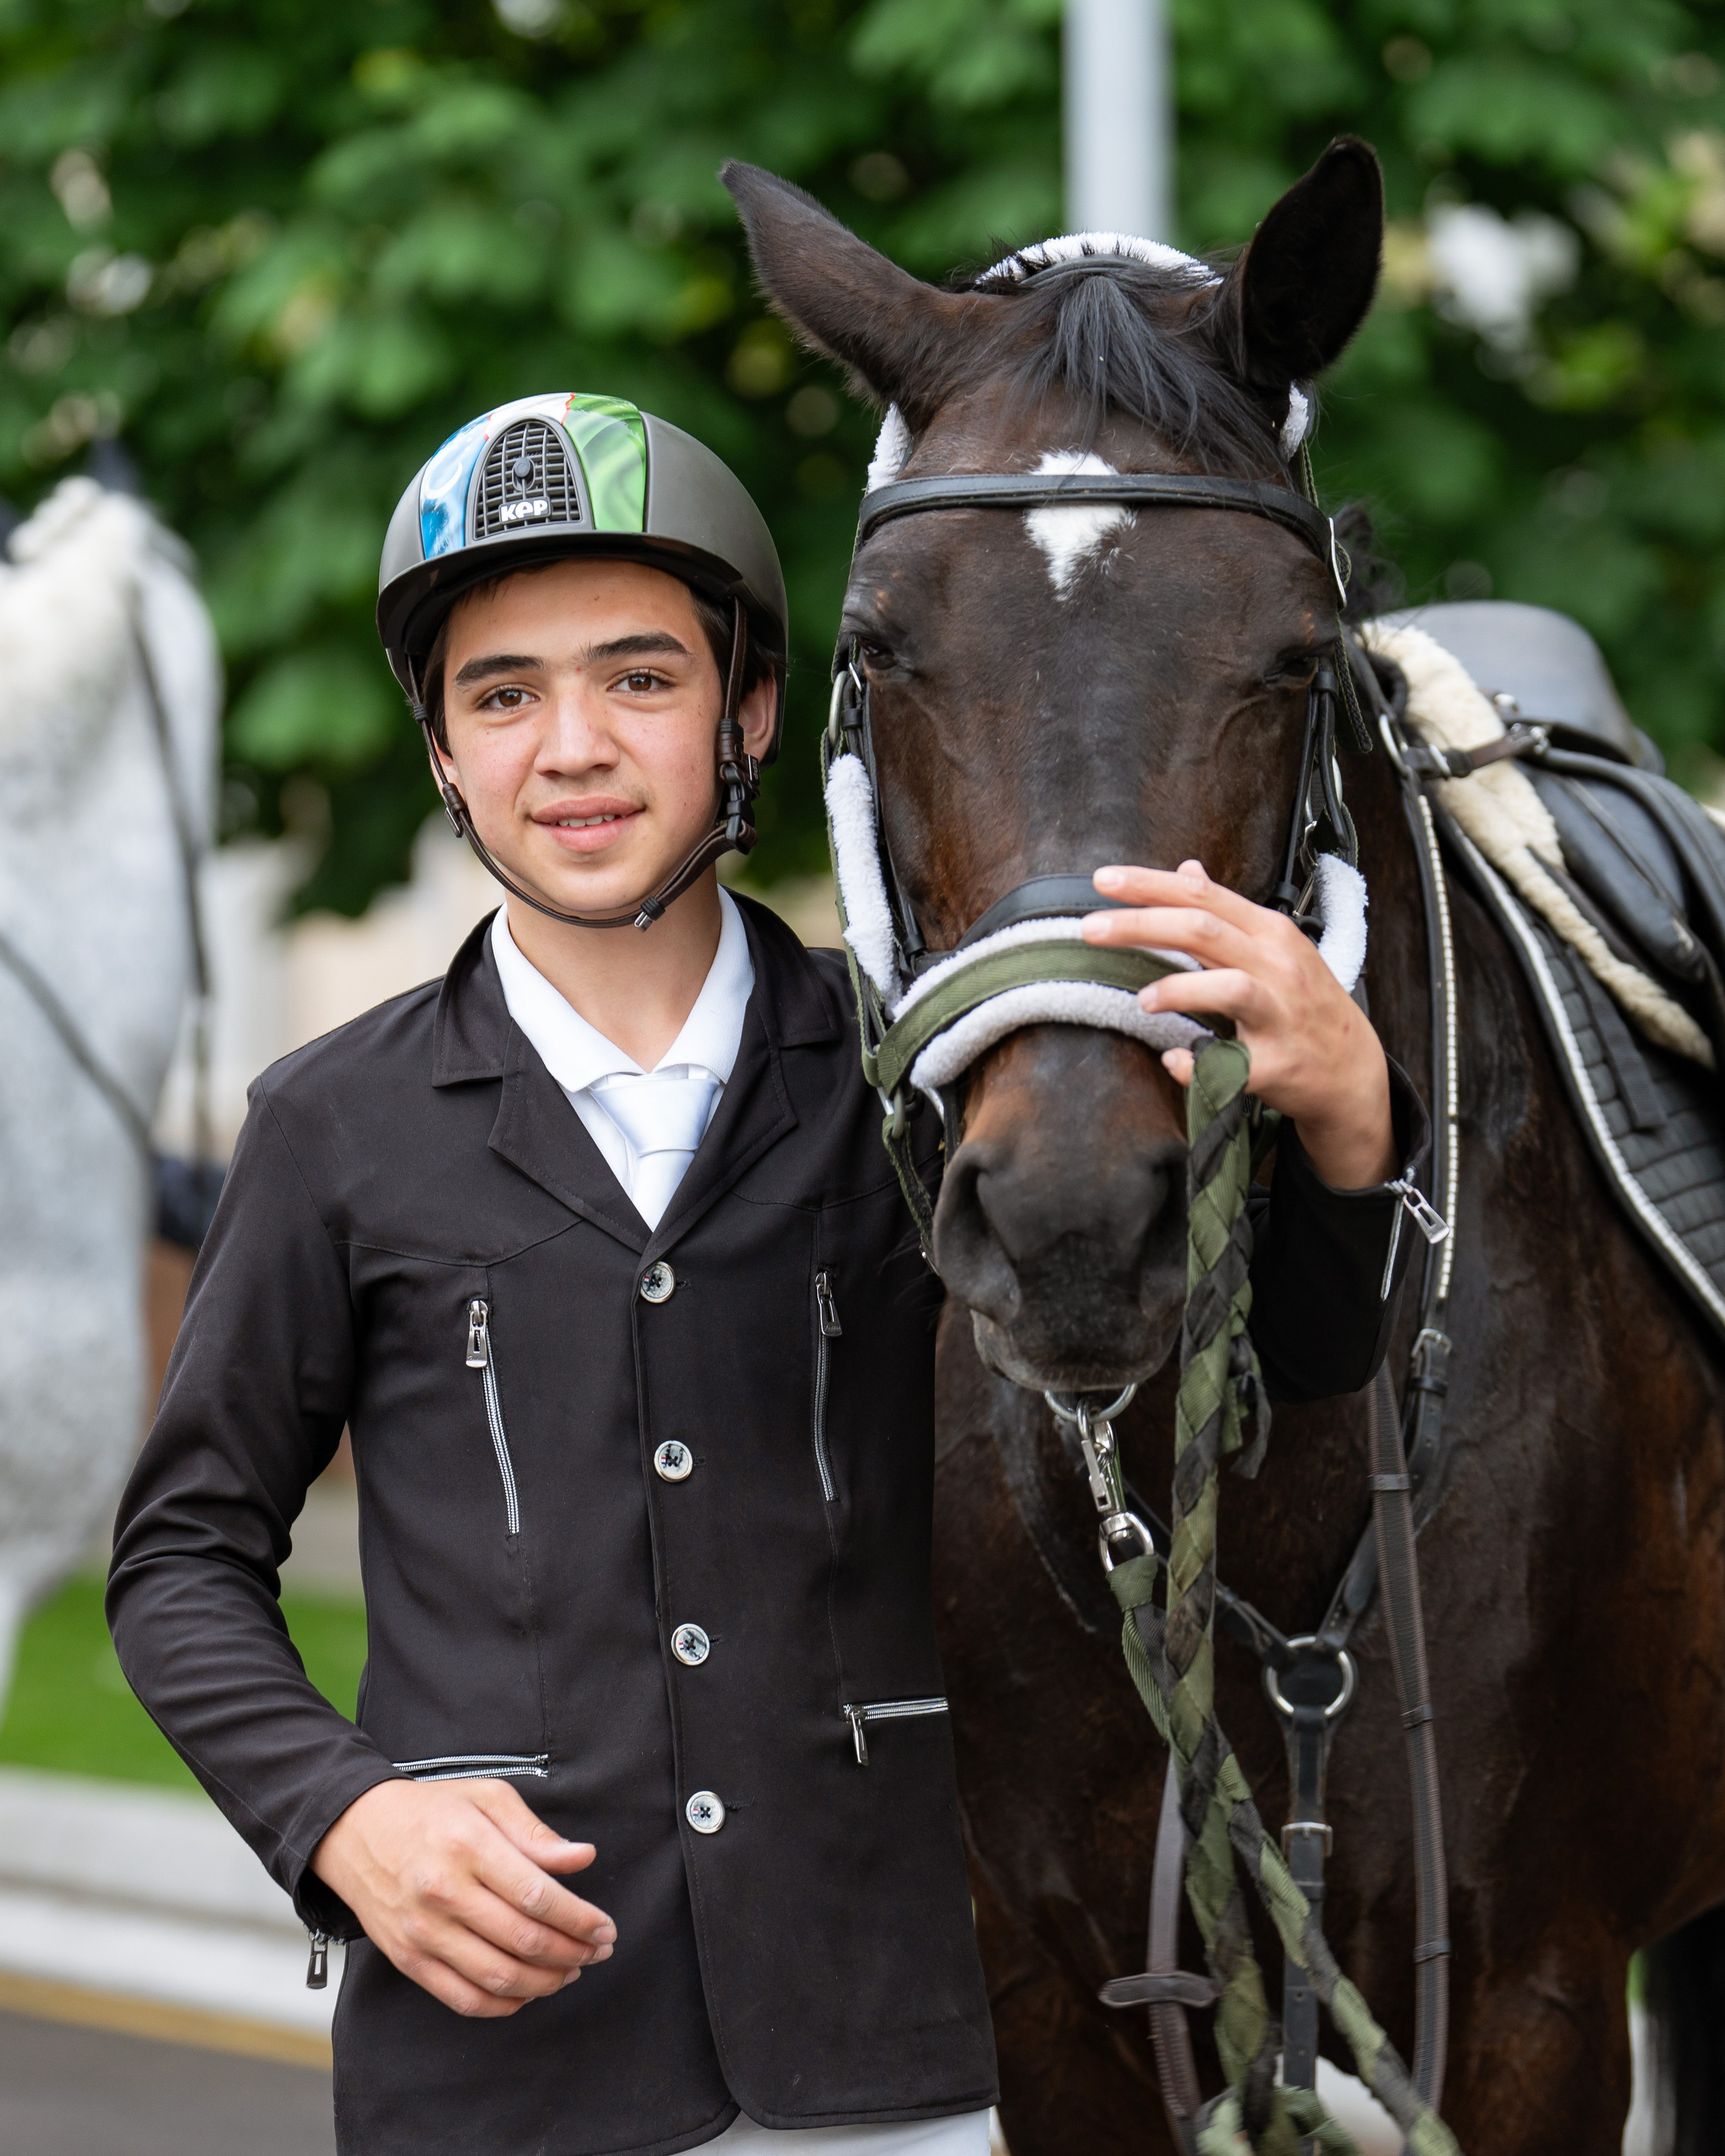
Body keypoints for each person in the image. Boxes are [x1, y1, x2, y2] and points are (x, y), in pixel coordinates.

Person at [107, 390, 1422, 2156]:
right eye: (503, 695)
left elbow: (1282, 1385)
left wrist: (1351, 1119)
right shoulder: (328, 1125)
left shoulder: (926, 1096)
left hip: (899, 2055)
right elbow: (182, 1560)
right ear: (442, 750)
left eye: (639, 678)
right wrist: (341, 1818)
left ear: (749, 714)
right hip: (499, 2073)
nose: (572, 747)